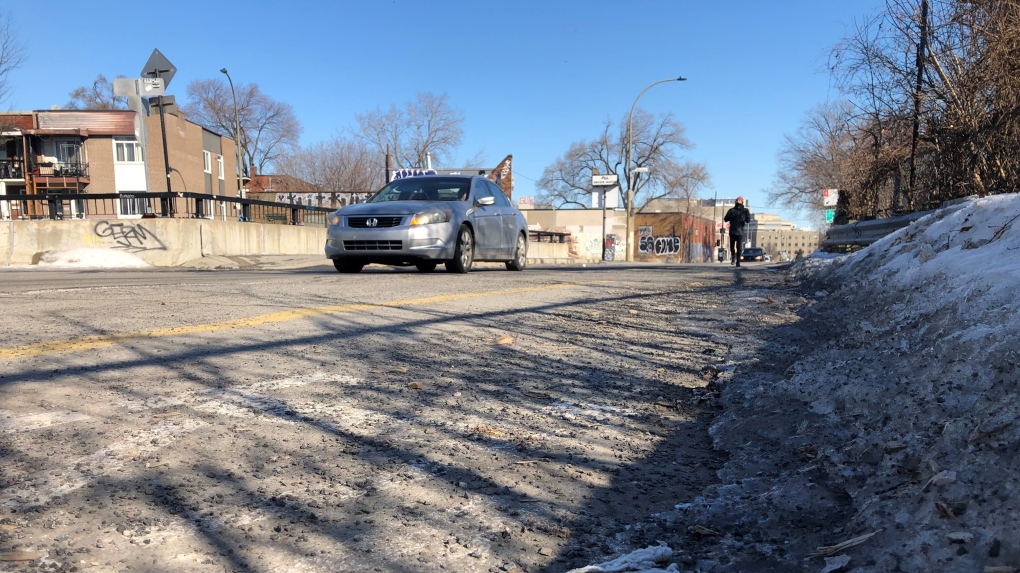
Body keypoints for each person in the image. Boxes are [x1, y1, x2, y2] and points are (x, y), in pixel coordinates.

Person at [723, 196, 751, 267]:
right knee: (732, 246)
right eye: (737, 200)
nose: (738, 201)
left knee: (739, 247)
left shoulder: (745, 211)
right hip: (732, 230)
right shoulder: (731, 210)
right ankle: (733, 256)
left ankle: (738, 261)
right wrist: (732, 217)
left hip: (740, 231)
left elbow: (748, 220)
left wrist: (744, 219)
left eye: (740, 200)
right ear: (736, 201)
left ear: (742, 202)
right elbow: (725, 219)